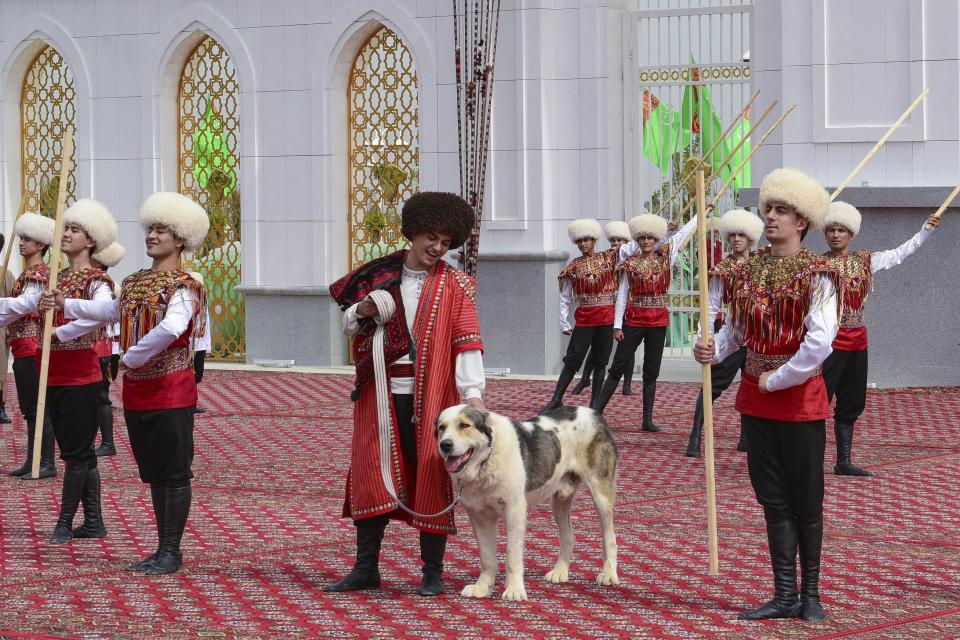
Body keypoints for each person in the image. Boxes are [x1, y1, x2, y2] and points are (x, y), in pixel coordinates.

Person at [326, 191, 486, 596]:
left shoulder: (458, 285)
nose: (438, 247)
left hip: (433, 397)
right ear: (413, 232)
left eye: (447, 242)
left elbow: (467, 341)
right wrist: (361, 311)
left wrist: (474, 394)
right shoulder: (378, 274)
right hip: (378, 392)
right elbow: (349, 323)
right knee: (370, 470)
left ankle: (432, 572)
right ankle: (366, 569)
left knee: (433, 473)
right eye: (432, 237)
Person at [694, 168, 836, 621]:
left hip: (798, 398)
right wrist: (711, 349)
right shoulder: (746, 272)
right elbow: (736, 333)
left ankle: (811, 593)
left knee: (806, 498)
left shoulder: (820, 274)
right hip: (755, 401)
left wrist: (779, 378)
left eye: (782, 211)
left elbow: (820, 342)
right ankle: (784, 593)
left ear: (802, 223)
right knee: (772, 499)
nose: (770, 217)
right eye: (768, 209)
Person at [44, 191, 208, 575]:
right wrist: (65, 306)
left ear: (180, 239)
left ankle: (171, 550)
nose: (151, 236)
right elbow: (107, 309)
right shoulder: (134, 282)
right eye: (150, 229)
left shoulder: (185, 285)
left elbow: (173, 326)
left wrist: (132, 355)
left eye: (161, 230)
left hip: (171, 389)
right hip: (137, 392)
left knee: (174, 471)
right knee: (152, 472)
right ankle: (161, 547)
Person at [821, 201, 940, 476]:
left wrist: (925, 231)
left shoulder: (865, 260)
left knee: (852, 402)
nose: (836, 234)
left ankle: (843, 461)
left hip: (857, 340)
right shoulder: (818, 265)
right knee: (818, 400)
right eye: (831, 230)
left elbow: (900, 254)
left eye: (841, 230)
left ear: (851, 234)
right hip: (827, 343)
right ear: (825, 233)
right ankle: (809, 460)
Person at [590, 211, 698, 432]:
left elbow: (684, 233)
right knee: (617, 367)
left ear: (656, 239)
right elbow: (622, 293)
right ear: (637, 240)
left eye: (651, 238)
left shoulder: (666, 256)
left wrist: (701, 213)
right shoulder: (629, 264)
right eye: (643, 238)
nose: (647, 241)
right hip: (635, 321)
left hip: (658, 322)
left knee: (651, 371)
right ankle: (596, 414)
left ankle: (647, 419)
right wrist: (618, 325)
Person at [685, 208, 764, 457]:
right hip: (732, 333)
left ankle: (746, 438)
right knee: (712, 386)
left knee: (752, 387)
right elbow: (711, 305)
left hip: (759, 336)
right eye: (733, 235)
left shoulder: (762, 266)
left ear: (751, 238)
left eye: (742, 235)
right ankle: (695, 436)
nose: (737, 239)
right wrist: (704, 337)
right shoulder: (721, 269)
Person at [541, 219, 620, 412]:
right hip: (585, 320)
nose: (583, 244)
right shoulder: (573, 266)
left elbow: (635, 247)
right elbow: (565, 296)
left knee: (601, 362)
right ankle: (556, 398)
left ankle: (595, 403)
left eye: (587, 240)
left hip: (607, 319)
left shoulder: (609, 258)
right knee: (573, 360)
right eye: (580, 241)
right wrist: (563, 320)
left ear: (593, 240)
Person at [5, 213, 56, 479]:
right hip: (22, 346)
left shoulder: (37, 275)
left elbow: (24, 305)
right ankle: (33, 460)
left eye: (28, 239)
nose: (22, 243)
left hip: (32, 345)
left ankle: (45, 461)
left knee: (38, 406)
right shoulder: (28, 273)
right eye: (22, 238)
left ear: (41, 245)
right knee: (29, 407)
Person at [571, 221, 635, 397]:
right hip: (608, 306)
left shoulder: (634, 257)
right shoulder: (608, 258)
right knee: (597, 345)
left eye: (620, 240)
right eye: (613, 240)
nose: (616, 243)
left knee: (627, 344)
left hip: (629, 304)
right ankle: (585, 378)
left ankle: (627, 384)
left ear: (627, 242)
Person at [91, 243, 125, 457]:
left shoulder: (104, 284)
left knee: (100, 396)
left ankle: (108, 442)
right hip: (101, 345)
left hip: (103, 346)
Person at [188, 271, 211, 413]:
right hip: (187, 344)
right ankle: (188, 404)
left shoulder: (203, 299)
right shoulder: (184, 301)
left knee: (197, 375)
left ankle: (192, 403)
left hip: (200, 343)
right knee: (188, 375)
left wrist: (207, 345)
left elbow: (206, 323)